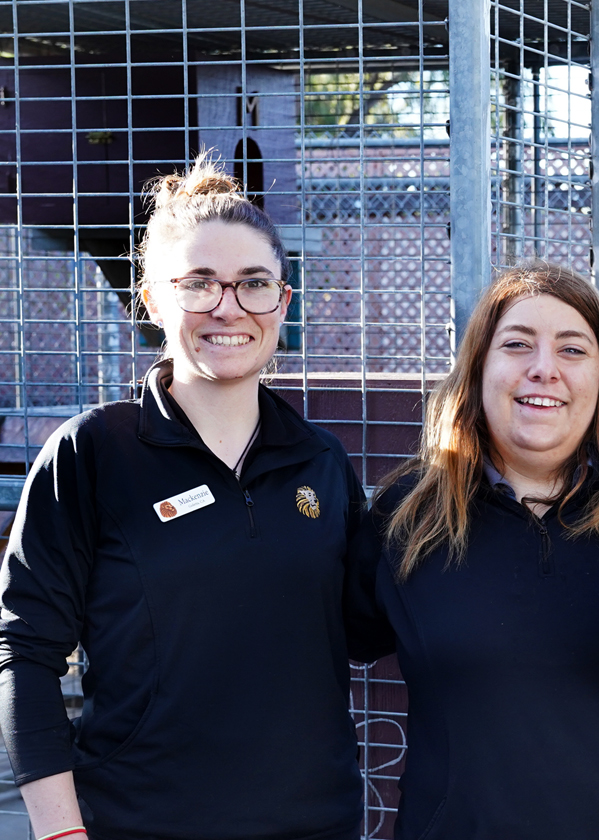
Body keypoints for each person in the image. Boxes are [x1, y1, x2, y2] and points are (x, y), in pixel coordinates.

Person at [0, 153, 373, 840]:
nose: (227, 308)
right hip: (138, 824)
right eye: (199, 284)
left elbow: (369, 629)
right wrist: (60, 833)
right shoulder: (92, 454)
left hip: (315, 824)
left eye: (253, 284)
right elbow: (23, 653)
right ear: (152, 298)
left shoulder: (321, 462)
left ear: (282, 302)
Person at [359, 262, 599, 839]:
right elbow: (322, 646)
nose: (543, 370)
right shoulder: (409, 517)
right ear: (479, 367)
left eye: (573, 350)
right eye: (516, 345)